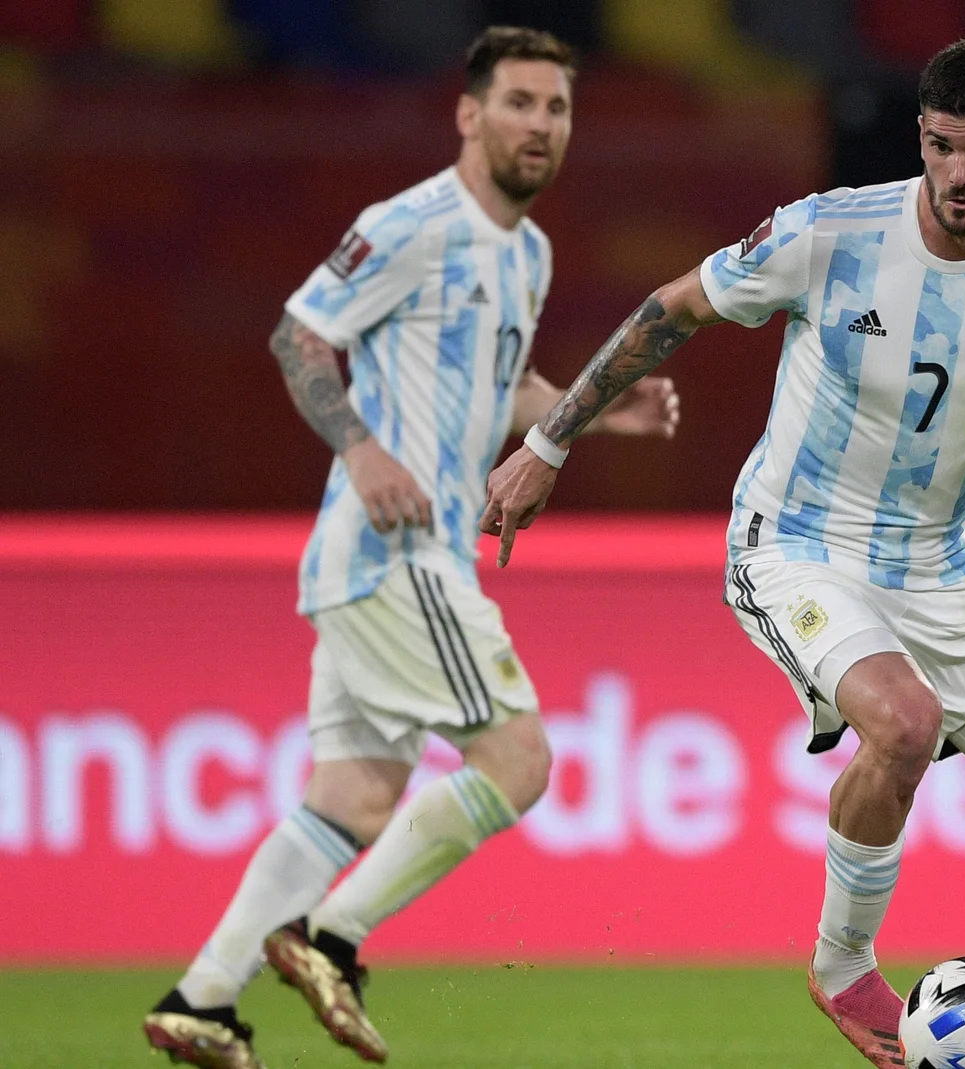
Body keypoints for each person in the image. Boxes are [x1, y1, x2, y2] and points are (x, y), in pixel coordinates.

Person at [481, 36, 965, 1069]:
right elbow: (667, 311)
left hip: (939, 564)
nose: (958, 173)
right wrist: (547, 445)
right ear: (920, 139)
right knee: (903, 722)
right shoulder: (829, 234)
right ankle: (843, 960)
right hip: (795, 540)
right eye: (941, 146)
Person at [141, 27, 679, 1069]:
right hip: (397, 548)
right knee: (518, 762)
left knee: (352, 795)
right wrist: (363, 445)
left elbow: (500, 390)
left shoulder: (527, 252)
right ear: (469, 114)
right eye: (519, 102)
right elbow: (299, 334)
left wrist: (597, 412)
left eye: (557, 108)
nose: (540, 125)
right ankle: (330, 935)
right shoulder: (412, 223)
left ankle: (202, 999)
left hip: (390, 562)